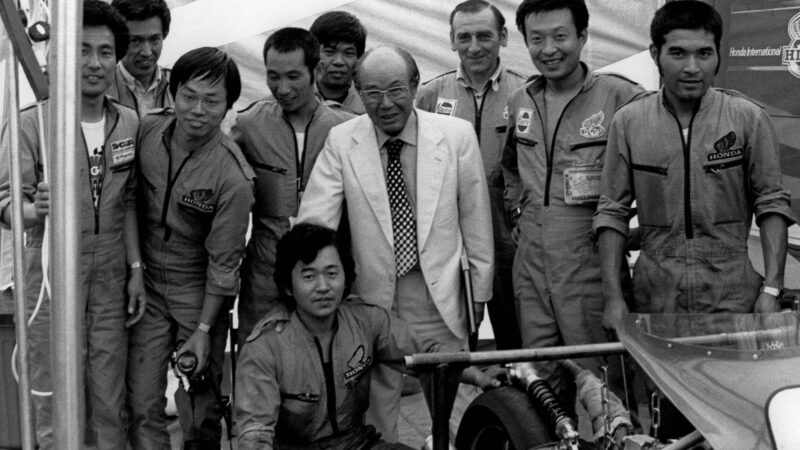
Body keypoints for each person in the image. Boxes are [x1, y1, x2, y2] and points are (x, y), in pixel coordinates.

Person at [594, 0, 796, 438]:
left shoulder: (746, 118)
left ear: (719, 55)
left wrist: (772, 288)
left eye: (704, 53)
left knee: (737, 416)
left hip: (731, 294)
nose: (692, 67)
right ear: (655, 54)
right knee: (667, 417)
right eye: (678, 53)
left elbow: (773, 203)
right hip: (656, 296)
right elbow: (610, 213)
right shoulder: (629, 122)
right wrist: (614, 298)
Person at [296, 46, 494, 442]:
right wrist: (315, 285)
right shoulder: (341, 140)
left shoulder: (455, 136)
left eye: (395, 90)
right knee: (377, 409)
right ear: (358, 91)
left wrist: (480, 292)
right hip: (372, 301)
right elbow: (317, 221)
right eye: (372, 93)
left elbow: (476, 218)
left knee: (450, 402)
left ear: (415, 85)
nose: (385, 104)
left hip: (439, 294)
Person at [0, 1, 144, 447]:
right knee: (51, 397)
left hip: (110, 276)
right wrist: (34, 210)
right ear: (59, 55)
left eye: (104, 51)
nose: (94, 63)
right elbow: (6, 204)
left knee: (108, 398)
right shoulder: (32, 124)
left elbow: (130, 202)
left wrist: (135, 270)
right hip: (50, 274)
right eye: (81, 49)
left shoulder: (129, 123)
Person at [500, 0, 642, 416]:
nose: (549, 49)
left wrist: (637, 230)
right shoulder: (521, 99)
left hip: (589, 264)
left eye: (560, 36)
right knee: (542, 378)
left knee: (603, 378)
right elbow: (509, 166)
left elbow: (656, 171)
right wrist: (517, 212)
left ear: (582, 36)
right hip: (531, 265)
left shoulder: (620, 96)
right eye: (537, 39)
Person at [127, 47, 254, 450]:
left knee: (200, 411)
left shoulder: (233, 177)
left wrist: (202, 330)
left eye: (211, 101)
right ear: (173, 93)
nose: (197, 109)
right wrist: (133, 269)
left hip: (198, 291)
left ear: (228, 107)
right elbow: (129, 199)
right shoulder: (148, 129)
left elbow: (225, 263)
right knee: (142, 403)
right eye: (189, 95)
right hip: (146, 285)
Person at [235, 223, 415, 450]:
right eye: (309, 276)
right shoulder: (265, 346)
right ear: (288, 286)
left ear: (346, 277)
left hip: (357, 444)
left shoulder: (366, 320)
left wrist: (470, 371)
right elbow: (255, 433)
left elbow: (426, 352)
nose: (323, 287)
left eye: (332, 274)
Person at [416, 0, 525, 350]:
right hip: (451, 244)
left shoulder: (526, 94)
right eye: (464, 37)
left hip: (508, 240)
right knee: (455, 339)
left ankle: (517, 401)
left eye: (484, 36)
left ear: (503, 37)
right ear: (451, 40)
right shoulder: (431, 96)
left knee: (516, 337)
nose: (474, 47)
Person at [232, 27, 353, 339]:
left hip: (326, 274)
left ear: (317, 70)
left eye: (293, 76)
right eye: (273, 76)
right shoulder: (249, 124)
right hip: (265, 275)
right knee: (258, 357)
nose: (282, 88)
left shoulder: (346, 129)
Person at [108, 0, 173, 116]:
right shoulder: (101, 87)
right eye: (135, 41)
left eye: (154, 39)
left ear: (164, 35)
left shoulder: (178, 84)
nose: (147, 52)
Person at [309, 11, 367, 114]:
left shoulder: (368, 107)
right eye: (329, 52)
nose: (338, 62)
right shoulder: (293, 100)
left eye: (348, 53)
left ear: (359, 58)